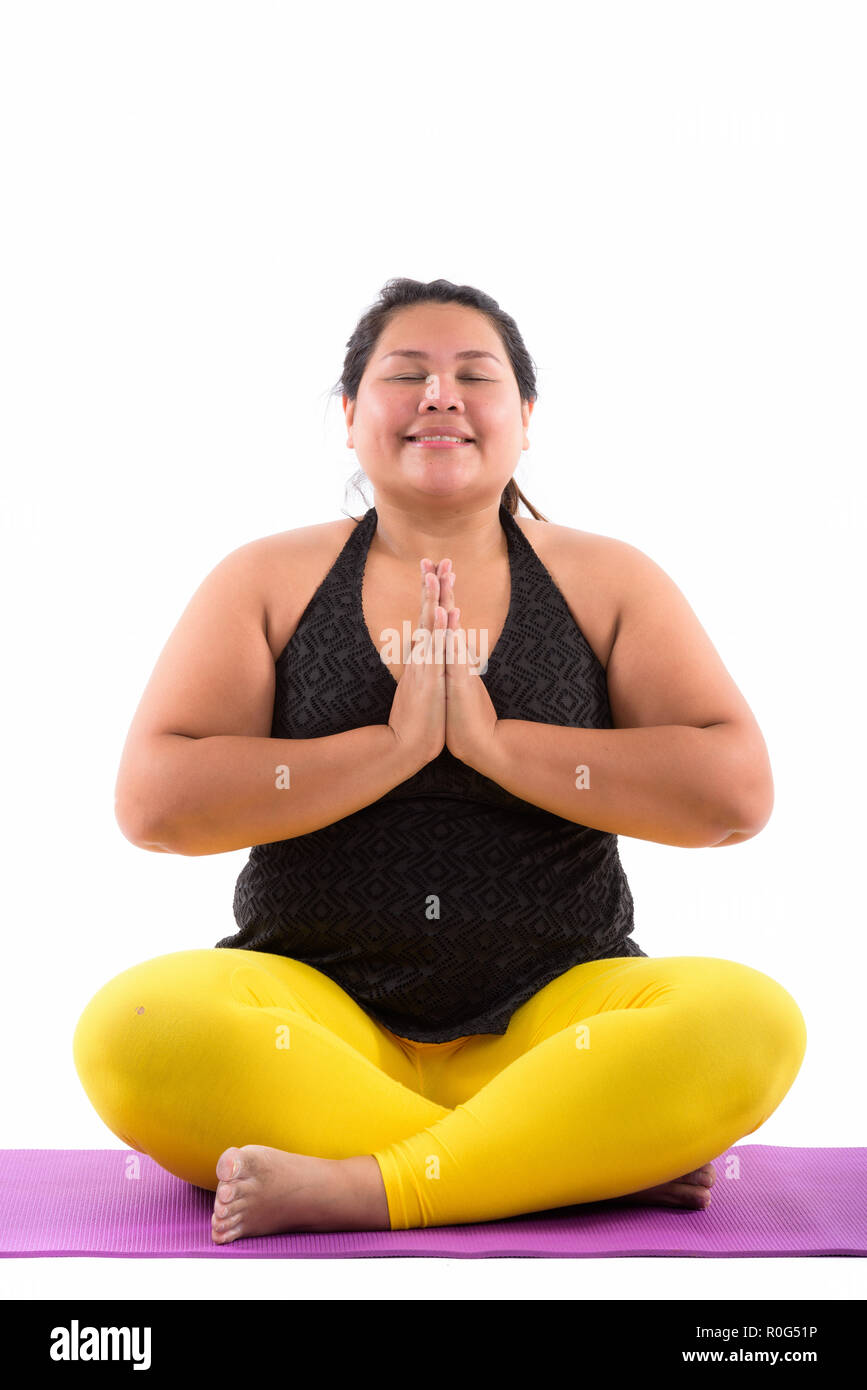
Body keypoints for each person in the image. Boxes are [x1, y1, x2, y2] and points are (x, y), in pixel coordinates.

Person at [72, 277, 806, 1239]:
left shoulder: (607, 580)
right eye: (405, 373)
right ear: (348, 416)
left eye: (474, 374)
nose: (439, 395)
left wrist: (495, 745)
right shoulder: (268, 579)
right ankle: (556, 1160)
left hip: (556, 1029)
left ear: (525, 417)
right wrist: (389, 748)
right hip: (318, 1029)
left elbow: (733, 795)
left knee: (749, 1020)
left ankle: (374, 1186)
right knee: (135, 1028)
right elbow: (153, 806)